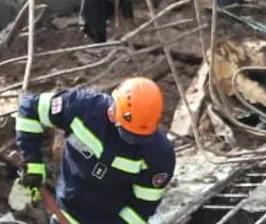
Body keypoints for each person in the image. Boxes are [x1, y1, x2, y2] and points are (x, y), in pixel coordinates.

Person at [15, 77, 175, 224]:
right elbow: (29, 108)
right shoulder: (82, 108)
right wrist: (33, 164)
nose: (133, 142)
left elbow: (141, 210)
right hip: (67, 210)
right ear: (113, 113)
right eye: (128, 134)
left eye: (138, 137)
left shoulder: (159, 156)